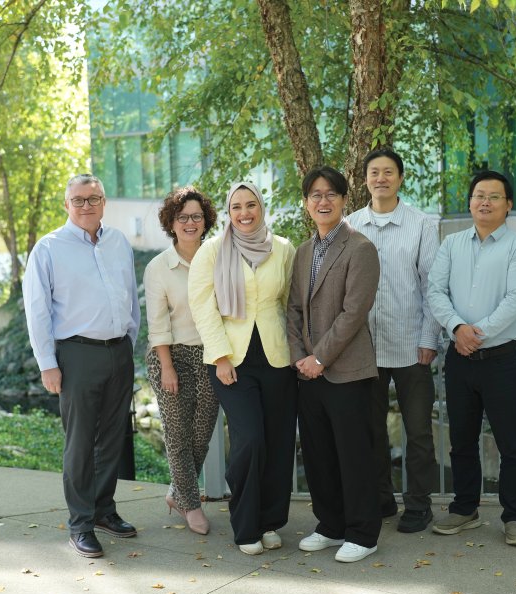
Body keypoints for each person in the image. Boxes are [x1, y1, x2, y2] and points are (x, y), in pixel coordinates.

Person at [24, 173, 141, 558]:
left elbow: (129, 299)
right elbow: (38, 312)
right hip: (76, 355)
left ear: (104, 202)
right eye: (79, 200)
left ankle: (104, 510)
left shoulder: (118, 242)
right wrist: (47, 364)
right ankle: (80, 523)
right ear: (67, 205)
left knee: (112, 439)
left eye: (94, 198)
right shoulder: (48, 249)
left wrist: (129, 342)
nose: (87, 205)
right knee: (79, 444)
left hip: (118, 351)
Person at [426, 169, 516, 546]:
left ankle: (515, 516)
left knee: (510, 442)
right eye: (478, 195)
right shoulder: (451, 244)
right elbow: (435, 291)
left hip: (502, 360)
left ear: (508, 205)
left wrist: (477, 334)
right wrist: (458, 328)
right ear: (470, 202)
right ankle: (464, 508)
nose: (484, 202)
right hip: (459, 359)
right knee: (461, 440)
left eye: (493, 196)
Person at [188, 181, 297, 556]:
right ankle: (246, 523)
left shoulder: (283, 249)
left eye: (251, 205)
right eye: (236, 206)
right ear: (229, 212)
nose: (244, 213)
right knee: (250, 440)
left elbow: (289, 304)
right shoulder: (212, 251)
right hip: (230, 361)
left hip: (277, 358)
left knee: (279, 442)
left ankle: (269, 522)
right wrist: (219, 357)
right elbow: (202, 307)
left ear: (261, 207)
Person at [287, 166, 382, 563]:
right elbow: (292, 309)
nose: (322, 201)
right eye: (314, 195)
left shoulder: (360, 248)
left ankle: (363, 533)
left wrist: (320, 357)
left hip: (346, 370)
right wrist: (299, 359)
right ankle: (330, 524)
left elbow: (353, 313)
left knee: (354, 454)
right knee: (319, 453)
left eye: (330, 194)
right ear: (307, 204)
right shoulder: (304, 251)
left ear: (345, 200)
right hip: (307, 373)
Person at [345, 149, 441, 533]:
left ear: (400, 178)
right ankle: (381, 499)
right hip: (364, 348)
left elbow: (433, 285)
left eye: (388, 172)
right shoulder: (350, 225)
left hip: (411, 346)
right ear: (364, 179)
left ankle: (419, 504)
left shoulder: (421, 224)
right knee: (371, 430)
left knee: (417, 431)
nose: (381, 178)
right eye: (374, 172)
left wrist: (429, 337)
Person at [144, 186, 220, 535]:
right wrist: (168, 368)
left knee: (201, 436)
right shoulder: (158, 268)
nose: (190, 222)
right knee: (177, 434)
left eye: (196, 216)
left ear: (205, 221)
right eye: (182, 217)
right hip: (170, 356)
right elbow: (158, 324)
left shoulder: (218, 258)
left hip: (211, 356)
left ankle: (177, 492)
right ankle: (191, 505)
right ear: (171, 223)